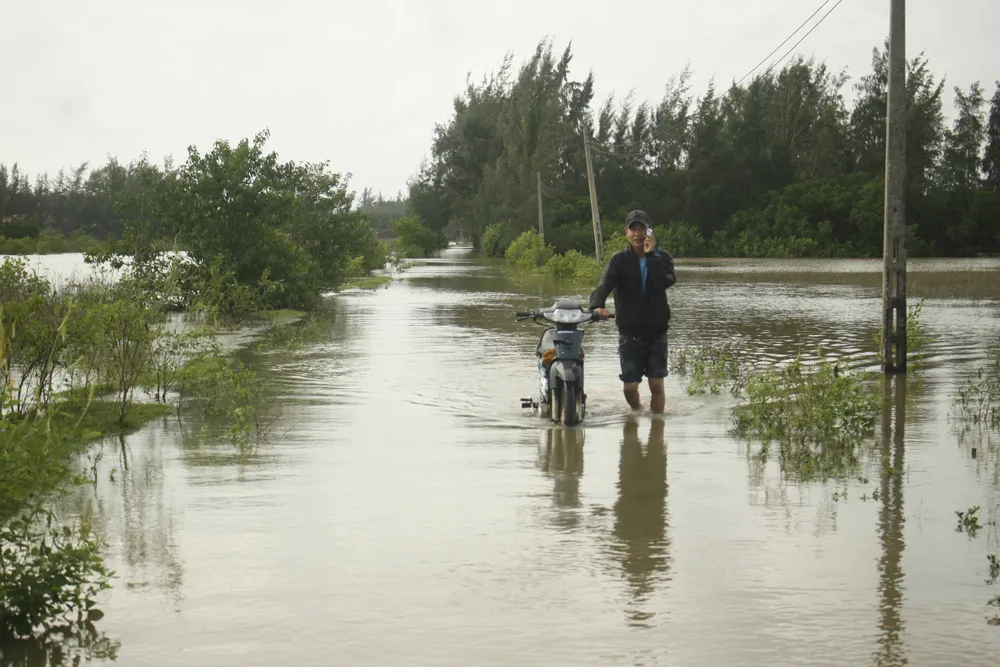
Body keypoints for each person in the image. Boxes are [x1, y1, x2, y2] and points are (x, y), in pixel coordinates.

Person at [590, 210, 676, 414]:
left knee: (656, 385)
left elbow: (665, 282)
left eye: (642, 229)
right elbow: (603, 286)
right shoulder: (618, 260)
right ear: (626, 232)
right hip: (629, 333)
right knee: (629, 388)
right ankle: (637, 410)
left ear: (650, 231)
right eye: (633, 229)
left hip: (657, 332)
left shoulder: (663, 258)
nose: (638, 234)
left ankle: (657, 432)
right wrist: (596, 306)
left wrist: (650, 255)